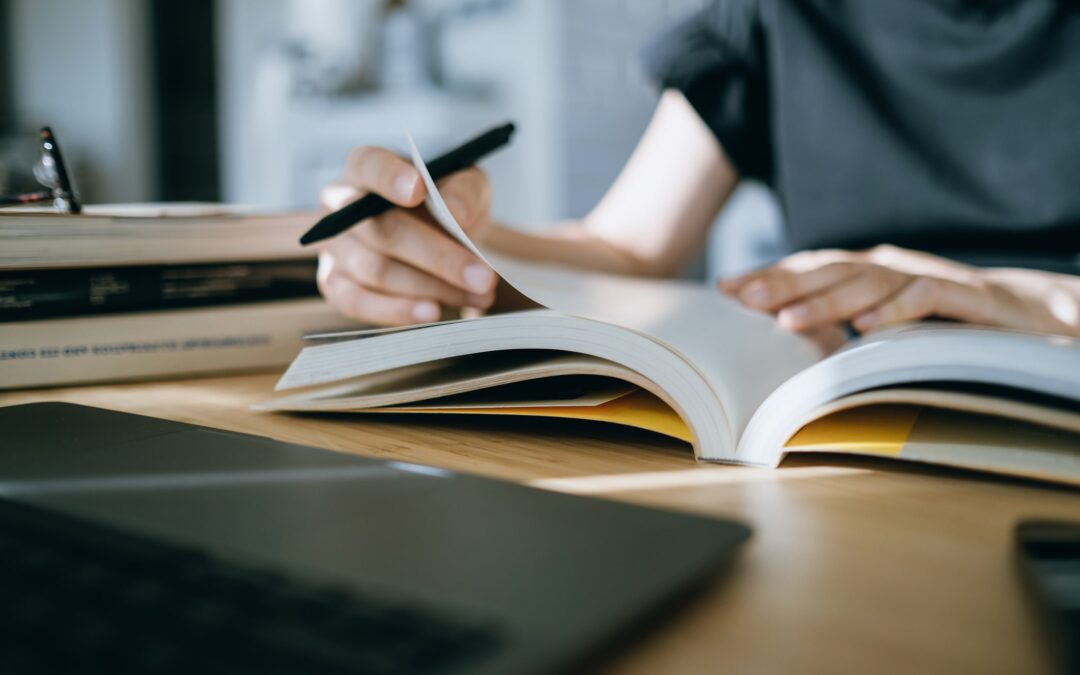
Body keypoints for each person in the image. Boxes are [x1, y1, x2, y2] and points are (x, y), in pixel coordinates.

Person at [314, 0, 1080, 344]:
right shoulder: (780, 14)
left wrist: (1040, 302)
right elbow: (628, 249)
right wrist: (442, 244)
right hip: (857, 434)